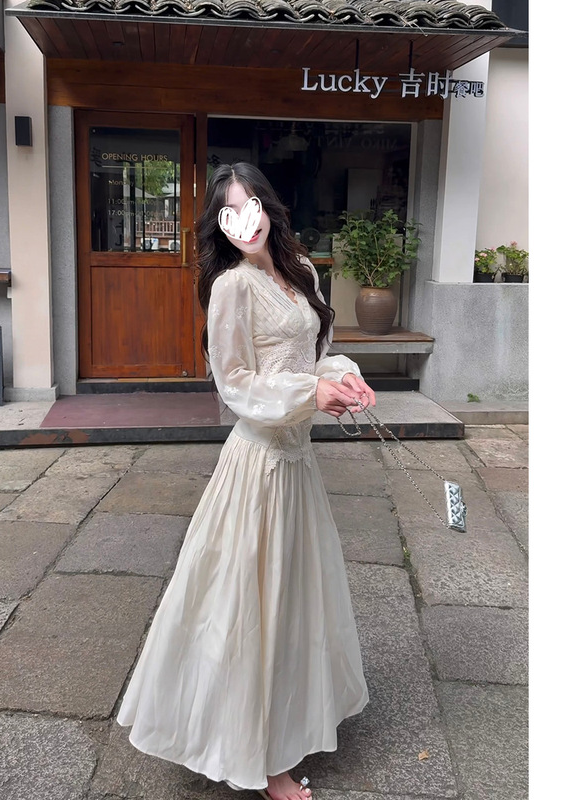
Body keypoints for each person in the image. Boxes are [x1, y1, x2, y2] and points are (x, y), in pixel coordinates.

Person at [117, 162, 376, 800]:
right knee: (247, 608)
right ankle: (260, 759)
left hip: (298, 467)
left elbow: (315, 355)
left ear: (269, 207)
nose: (247, 220)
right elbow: (234, 384)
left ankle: (286, 724)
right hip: (257, 468)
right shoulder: (232, 286)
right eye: (230, 211)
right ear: (220, 224)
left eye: (253, 202)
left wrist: (342, 377)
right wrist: (310, 394)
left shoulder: (301, 270)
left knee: (292, 601)